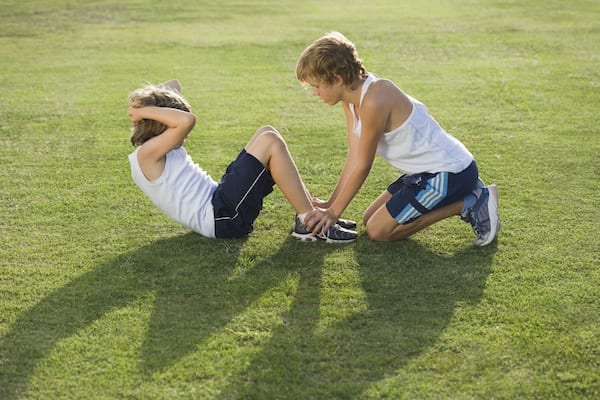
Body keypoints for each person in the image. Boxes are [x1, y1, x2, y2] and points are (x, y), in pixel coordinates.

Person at [295, 32, 500, 246]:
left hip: (450, 172)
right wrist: (330, 204)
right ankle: (468, 198)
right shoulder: (350, 100)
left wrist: (333, 214)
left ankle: (470, 202)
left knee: (378, 231)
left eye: (316, 86)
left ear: (337, 78)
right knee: (369, 218)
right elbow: (354, 155)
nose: (315, 93)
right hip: (422, 173)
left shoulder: (375, 99)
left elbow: (364, 164)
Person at [127, 79, 357, 243]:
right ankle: (310, 223)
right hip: (221, 218)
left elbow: (173, 84)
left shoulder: (157, 147)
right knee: (269, 141)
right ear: (160, 124)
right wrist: (144, 111)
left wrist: (146, 105)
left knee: (267, 134)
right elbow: (187, 120)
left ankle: (311, 215)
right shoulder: (147, 154)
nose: (184, 137)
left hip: (220, 203)